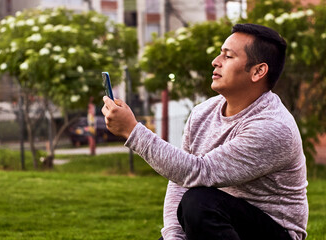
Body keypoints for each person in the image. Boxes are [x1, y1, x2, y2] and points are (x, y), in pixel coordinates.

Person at [102, 23, 308, 240]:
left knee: (198, 203)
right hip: (216, 223)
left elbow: (198, 172)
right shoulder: (203, 112)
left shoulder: (273, 126)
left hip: (273, 231)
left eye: (228, 56)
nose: (215, 62)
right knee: (194, 209)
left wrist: (133, 131)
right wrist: (173, 236)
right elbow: (181, 180)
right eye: (220, 53)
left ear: (258, 71)